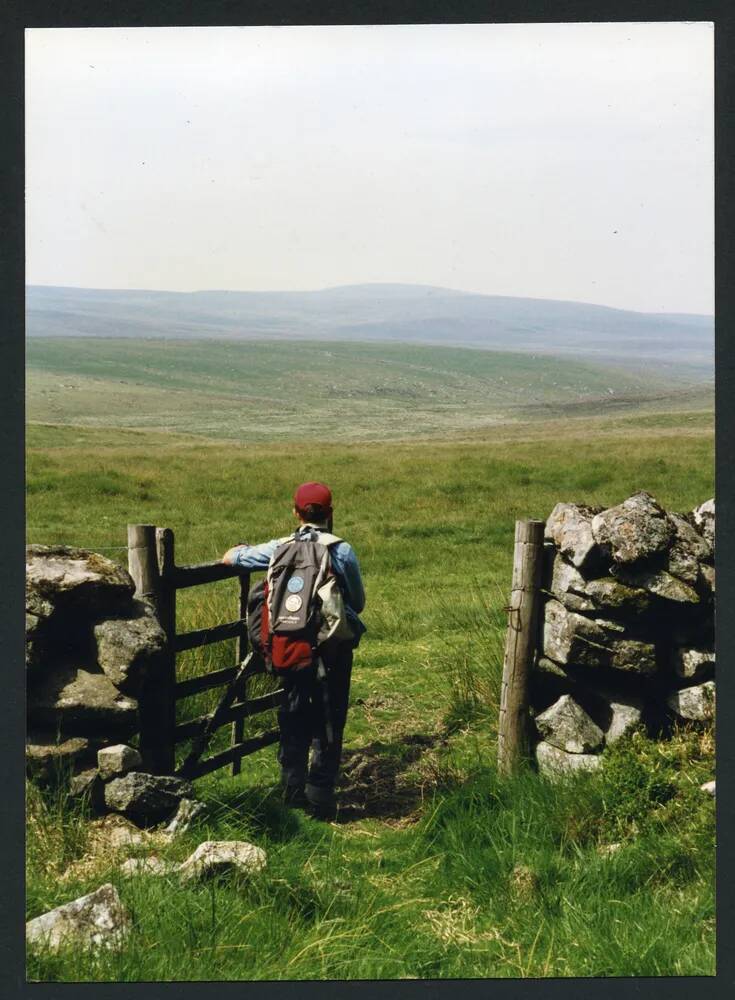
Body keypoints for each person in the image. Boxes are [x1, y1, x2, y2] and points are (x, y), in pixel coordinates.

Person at [222, 481, 366, 819]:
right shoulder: (341, 550)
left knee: (293, 712)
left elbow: (234, 559)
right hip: (331, 650)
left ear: (295, 512)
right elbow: (357, 602)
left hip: (290, 646)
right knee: (330, 718)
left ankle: (291, 788)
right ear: (330, 513)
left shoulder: (280, 547)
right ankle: (320, 797)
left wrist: (236, 552)